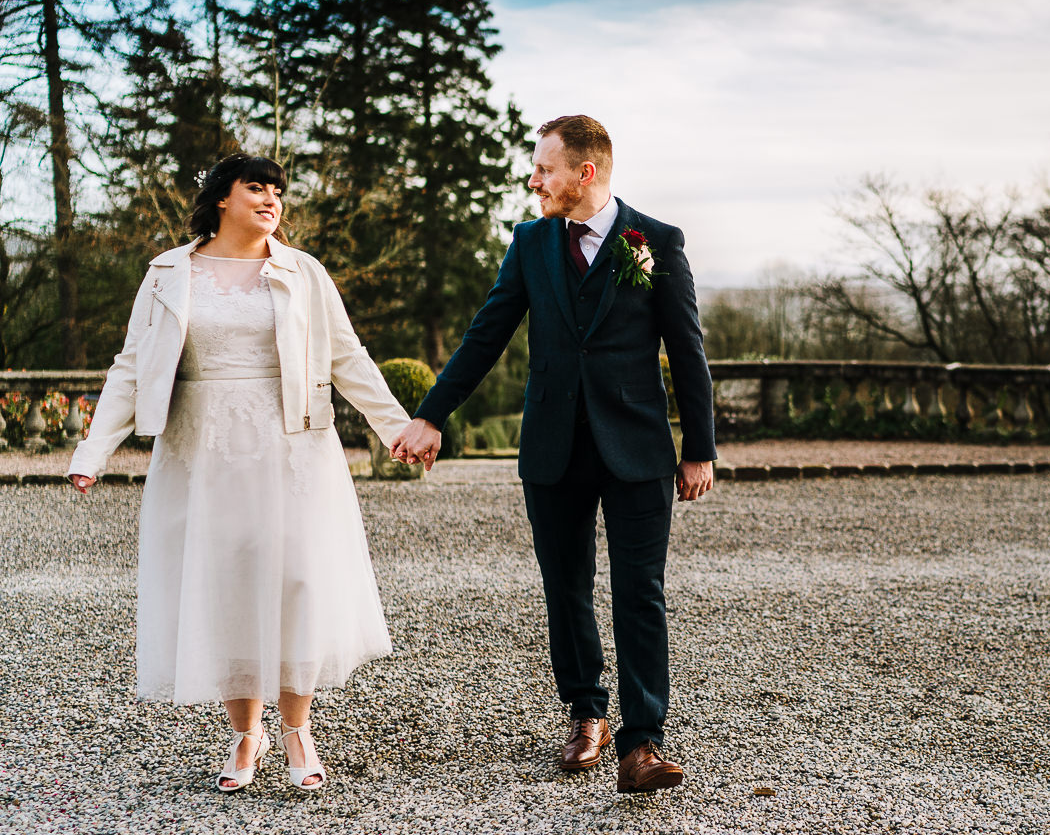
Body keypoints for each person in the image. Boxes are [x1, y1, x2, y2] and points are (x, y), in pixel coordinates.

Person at [391, 114, 715, 793]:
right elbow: (487, 334)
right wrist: (430, 414)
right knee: (564, 587)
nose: (533, 180)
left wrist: (699, 450)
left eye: (544, 169)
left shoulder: (657, 241)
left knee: (639, 592)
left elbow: (687, 351)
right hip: (552, 446)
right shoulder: (531, 243)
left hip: (638, 448)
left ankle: (642, 743)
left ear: (584, 173)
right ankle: (586, 713)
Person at [66, 153, 411, 793]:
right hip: (203, 451)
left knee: (297, 579)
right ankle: (245, 734)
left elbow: (347, 357)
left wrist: (396, 428)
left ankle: (298, 730)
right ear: (222, 197)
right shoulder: (169, 272)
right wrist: (93, 451)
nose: (271, 199)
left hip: (293, 450)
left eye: (277, 191)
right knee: (226, 581)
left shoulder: (303, 271)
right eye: (256, 187)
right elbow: (132, 366)